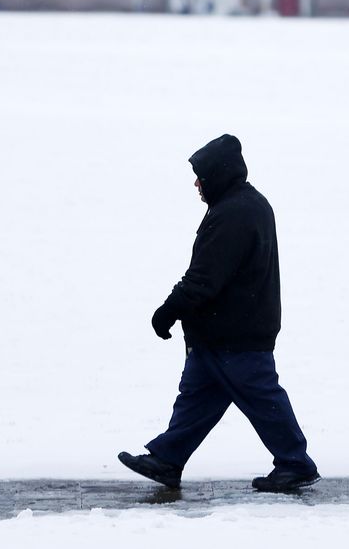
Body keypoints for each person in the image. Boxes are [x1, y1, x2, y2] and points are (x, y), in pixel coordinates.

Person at [118, 133, 319, 494]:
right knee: (196, 399)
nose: (196, 183)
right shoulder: (243, 205)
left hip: (235, 334)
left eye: (202, 176)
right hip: (220, 331)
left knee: (262, 398)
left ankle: (295, 463)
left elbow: (204, 277)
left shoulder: (235, 213)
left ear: (219, 175)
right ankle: (168, 459)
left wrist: (168, 311)